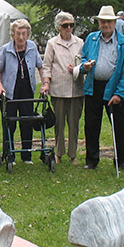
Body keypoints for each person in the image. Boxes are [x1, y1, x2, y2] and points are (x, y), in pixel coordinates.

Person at [79, 5, 124, 171]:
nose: (106, 24)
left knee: (118, 125)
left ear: (114, 23)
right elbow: (83, 59)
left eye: (109, 21)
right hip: (93, 87)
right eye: (103, 21)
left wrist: (120, 93)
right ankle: (92, 159)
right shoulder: (91, 38)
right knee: (91, 124)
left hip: (113, 87)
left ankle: (120, 159)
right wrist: (84, 66)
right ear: (99, 23)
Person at [0, 19, 43, 164]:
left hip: (27, 91)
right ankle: (10, 155)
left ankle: (26, 155)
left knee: (27, 122)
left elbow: (40, 66)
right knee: (10, 124)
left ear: (28, 34)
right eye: (17, 34)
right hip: (10, 92)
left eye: (23, 34)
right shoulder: (6, 49)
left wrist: (45, 83)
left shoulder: (32, 47)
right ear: (13, 34)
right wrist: (0, 86)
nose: (20, 37)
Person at [40, 12, 84, 164]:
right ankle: (59, 153)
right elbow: (46, 65)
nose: (69, 28)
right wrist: (46, 82)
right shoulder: (52, 43)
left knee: (74, 123)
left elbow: (84, 62)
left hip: (76, 89)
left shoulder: (80, 42)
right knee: (59, 123)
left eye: (71, 25)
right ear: (58, 27)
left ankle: (73, 154)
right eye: (65, 25)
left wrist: (80, 69)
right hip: (58, 89)